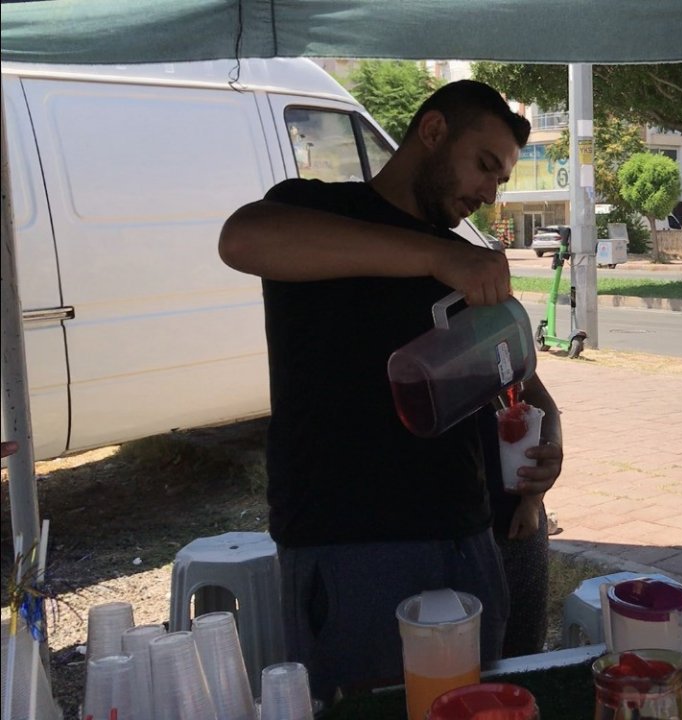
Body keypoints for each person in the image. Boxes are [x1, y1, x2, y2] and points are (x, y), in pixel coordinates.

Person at [218, 80, 563, 702]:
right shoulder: (315, 208)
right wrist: (435, 258)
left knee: (473, 709)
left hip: (465, 539)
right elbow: (241, 239)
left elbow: (521, 380)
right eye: (485, 165)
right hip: (350, 546)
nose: (489, 193)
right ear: (432, 132)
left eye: (501, 180)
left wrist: (547, 440)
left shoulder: (464, 261)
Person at [479, 406, 551, 658]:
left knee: (522, 651)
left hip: (513, 523)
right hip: (423, 533)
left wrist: (532, 499)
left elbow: (541, 401)